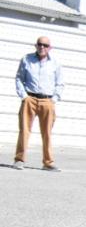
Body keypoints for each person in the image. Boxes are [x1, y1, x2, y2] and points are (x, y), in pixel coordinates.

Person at [13, 35, 64, 171]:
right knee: (24, 130)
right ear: (36, 45)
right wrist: (24, 96)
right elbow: (19, 78)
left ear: (50, 48)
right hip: (30, 99)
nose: (42, 47)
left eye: (45, 45)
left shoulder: (55, 63)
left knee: (47, 132)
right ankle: (19, 160)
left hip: (47, 101)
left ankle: (48, 162)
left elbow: (60, 83)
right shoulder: (27, 59)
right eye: (40, 44)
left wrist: (54, 99)